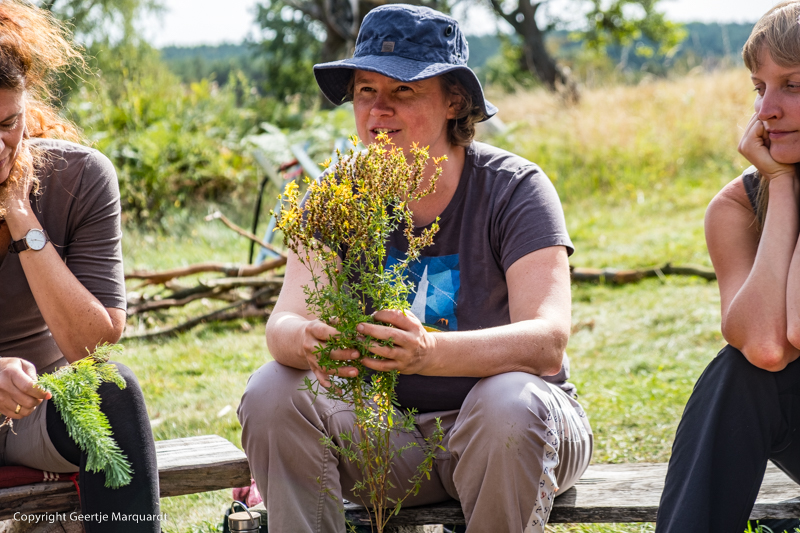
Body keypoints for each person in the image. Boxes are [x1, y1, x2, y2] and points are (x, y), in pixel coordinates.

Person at [238, 5, 593, 532]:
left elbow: (546, 343)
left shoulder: (515, 188)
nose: (378, 110)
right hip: (391, 440)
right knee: (271, 391)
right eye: (365, 91)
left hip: (519, 431)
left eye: (402, 90)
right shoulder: (334, 198)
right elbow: (282, 326)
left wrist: (428, 352)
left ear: (455, 101)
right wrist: (310, 339)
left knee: (506, 403)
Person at [0, 2, 160, 531]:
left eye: (8, 123)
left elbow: (92, 346)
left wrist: (22, 216)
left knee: (109, 387)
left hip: (33, 413)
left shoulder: (79, 176)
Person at [657, 2, 800, 532]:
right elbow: (767, 346)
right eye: (760, 87)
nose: (767, 110)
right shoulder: (737, 206)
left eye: (794, 86)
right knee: (737, 373)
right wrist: (784, 187)